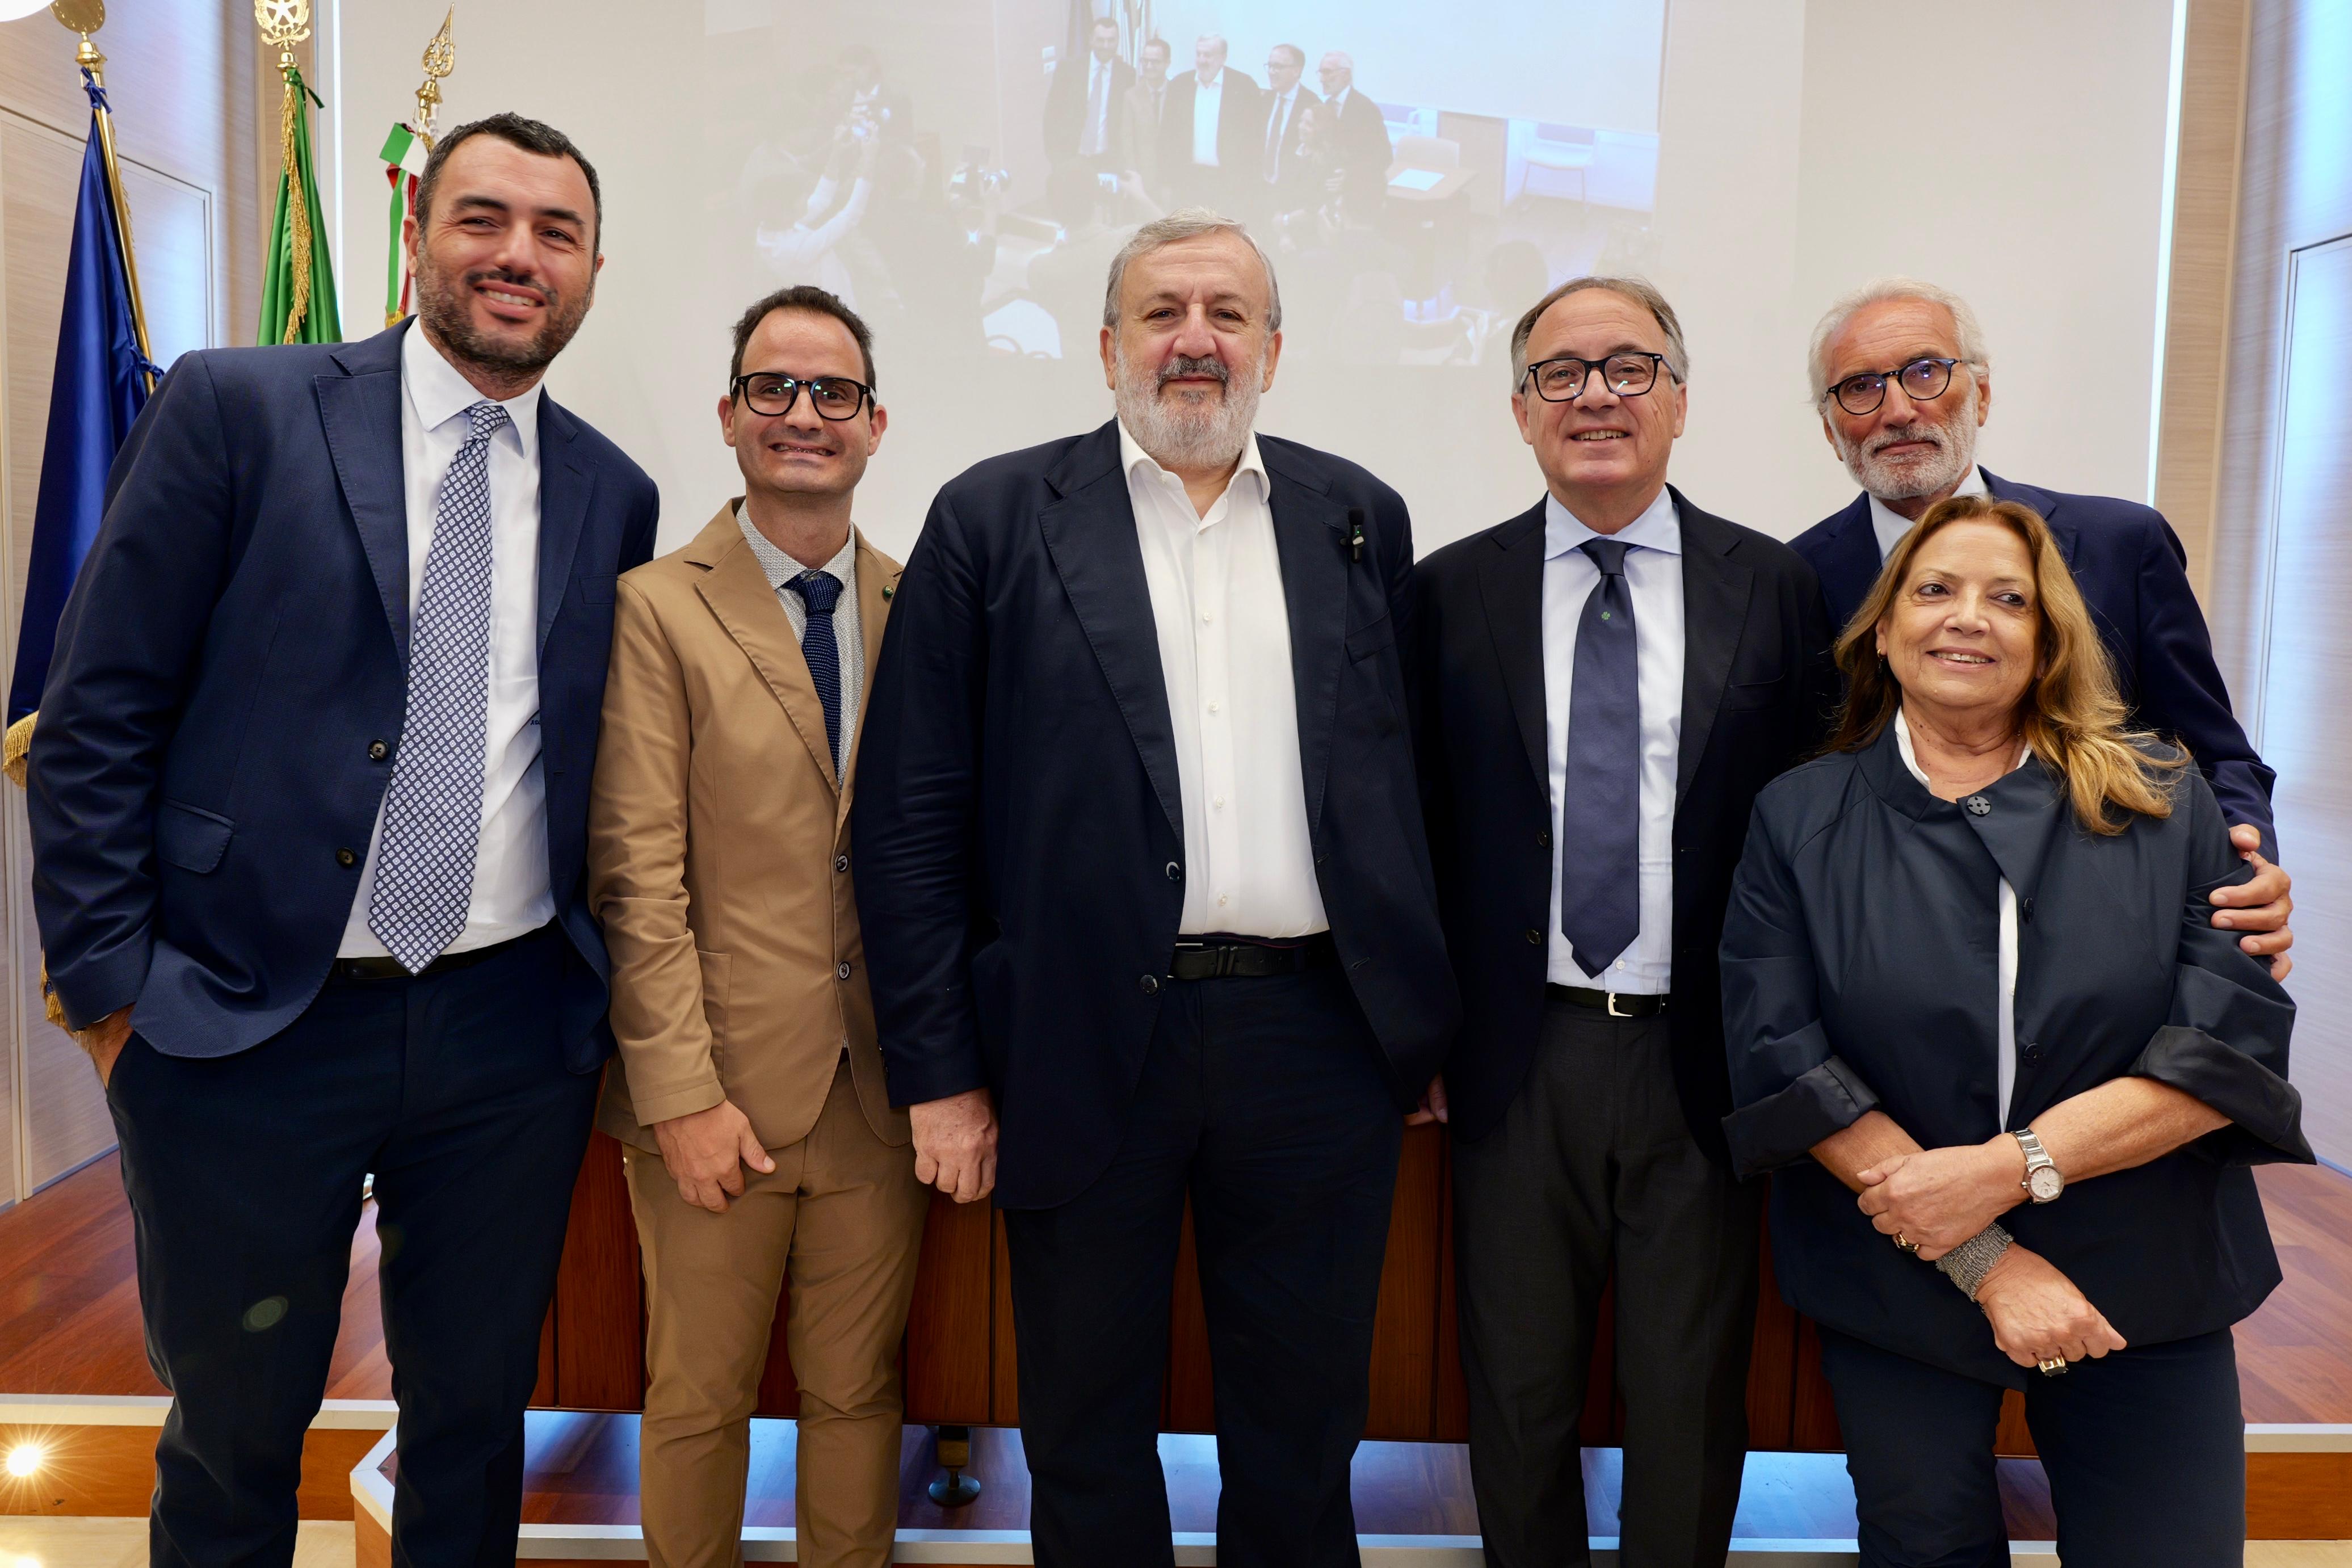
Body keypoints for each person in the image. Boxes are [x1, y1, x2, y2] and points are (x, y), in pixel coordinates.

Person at [27, 114, 658, 1567]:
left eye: (556, 234)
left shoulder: (614, 490)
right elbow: (98, 711)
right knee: (237, 1428)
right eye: (485, 219)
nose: (518, 257)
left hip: (505, 1032)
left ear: (593, 269)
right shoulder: (238, 406)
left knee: (473, 1417)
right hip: (244, 1023)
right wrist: (115, 993)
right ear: (422, 229)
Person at [854, 209, 1458, 1568]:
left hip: (1316, 1045)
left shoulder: (1358, 516)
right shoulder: (996, 516)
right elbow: (909, 817)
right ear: (1109, 343)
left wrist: (1418, 1019)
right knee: (1081, 1427)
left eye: (1228, 313)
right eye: (1164, 311)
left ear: (1275, 348)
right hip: (1077, 1041)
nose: (1196, 339)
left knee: (1306, 1431)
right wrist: (941, 1075)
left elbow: (1406, 788)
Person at [1721, 493, 2311, 1567]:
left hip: (2146, 1264)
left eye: (2008, 597)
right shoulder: (1796, 816)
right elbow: (1783, 1059)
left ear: (2046, 638)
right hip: (1905, 1266)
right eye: (1933, 589)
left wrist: (2006, 1170)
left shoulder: (2164, 795)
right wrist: (1989, 1258)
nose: (1966, 618)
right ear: (1883, 625)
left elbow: (2218, 1045)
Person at [1417, 276, 1837, 1567]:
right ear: (1521, 412)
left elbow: (1815, 820)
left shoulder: (1772, 587)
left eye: (1630, 366)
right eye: (1562, 373)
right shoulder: (1446, 592)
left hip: (1700, 1056)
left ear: (1682, 398)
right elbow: (1409, 827)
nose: (1596, 393)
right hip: (1512, 1052)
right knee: (1520, 1393)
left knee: (1688, 1394)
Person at [589, 286, 922, 1568]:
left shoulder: (918, 601)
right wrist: (680, 1091)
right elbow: (637, 872)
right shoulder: (658, 607)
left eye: (831, 392)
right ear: (729, 415)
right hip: (713, 1097)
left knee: (858, 1399)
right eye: (772, 389)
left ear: (874, 422)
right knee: (698, 1401)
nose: (803, 414)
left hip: (879, 1088)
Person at [1792, 278, 2295, 978]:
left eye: (1925, 372)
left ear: (1982, 395)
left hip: (2117, 945)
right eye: (1859, 388)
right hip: (1897, 962)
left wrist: (2244, 865)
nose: (1898, 409)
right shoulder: (1791, 580)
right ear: (1829, 427)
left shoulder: (2124, 543)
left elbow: (2214, 751)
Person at [1157, 35, 1261, 214]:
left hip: (1229, 184)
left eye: (1208, 55)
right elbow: (1167, 137)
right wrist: (1166, 182)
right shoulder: (1179, 86)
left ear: (1223, 58)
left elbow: (1254, 140)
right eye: (1199, 54)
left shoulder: (1244, 87)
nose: (1202, 60)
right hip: (1187, 181)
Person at [1043, 15, 1133, 169]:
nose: (1106, 46)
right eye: (1100, 40)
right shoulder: (1068, 69)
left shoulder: (1127, 75)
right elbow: (1052, 114)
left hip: (1108, 162)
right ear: (1091, 40)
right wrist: (1055, 156)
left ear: (1118, 41)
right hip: (1071, 159)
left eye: (1111, 40)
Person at [1315, 52, 1393, 221]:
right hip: (1329, 194)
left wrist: (1350, 175)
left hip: (1360, 193)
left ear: (1346, 75)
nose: (1322, 79)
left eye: (1327, 72)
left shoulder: (1366, 108)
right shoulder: (1326, 107)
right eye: (1320, 73)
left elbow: (1384, 156)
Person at [1253, 43, 1319, 226]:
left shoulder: (1312, 105)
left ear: (1297, 71)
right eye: (1270, 66)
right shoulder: (1264, 101)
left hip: (1291, 200)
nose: (1272, 72)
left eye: (1279, 67)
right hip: (1260, 191)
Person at [1120, 36, 1174, 200]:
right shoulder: (1131, 96)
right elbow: (1127, 140)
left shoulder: (1178, 93)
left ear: (1167, 63)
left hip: (1172, 178)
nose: (1149, 66)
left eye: (1155, 62)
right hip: (1143, 179)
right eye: (1145, 61)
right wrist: (1134, 179)